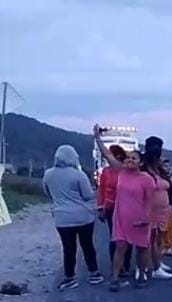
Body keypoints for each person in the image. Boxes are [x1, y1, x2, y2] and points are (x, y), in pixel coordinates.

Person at [94, 125, 156, 291]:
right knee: (120, 246)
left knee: (142, 248)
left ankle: (142, 274)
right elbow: (106, 154)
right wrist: (97, 137)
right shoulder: (120, 172)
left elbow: (150, 202)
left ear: (141, 162)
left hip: (140, 219)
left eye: (134, 159)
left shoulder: (147, 179)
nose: (129, 161)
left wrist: (146, 219)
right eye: (128, 158)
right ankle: (115, 278)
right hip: (121, 217)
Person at [42, 145, 102, 290]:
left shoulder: (48, 174)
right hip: (83, 217)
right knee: (87, 245)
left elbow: (46, 192)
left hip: (62, 218)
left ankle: (69, 278)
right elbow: (88, 195)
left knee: (68, 248)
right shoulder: (78, 175)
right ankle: (94, 274)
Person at [96, 143, 132, 277]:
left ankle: (126, 264)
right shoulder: (106, 171)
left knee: (128, 238)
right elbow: (102, 190)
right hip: (110, 207)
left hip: (127, 207)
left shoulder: (125, 170)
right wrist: (100, 207)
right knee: (114, 237)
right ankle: (116, 265)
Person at [147, 154, 172, 280]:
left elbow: (171, 188)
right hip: (152, 210)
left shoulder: (161, 172)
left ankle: (158, 262)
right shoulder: (147, 172)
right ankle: (153, 266)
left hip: (164, 209)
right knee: (151, 238)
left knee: (160, 238)